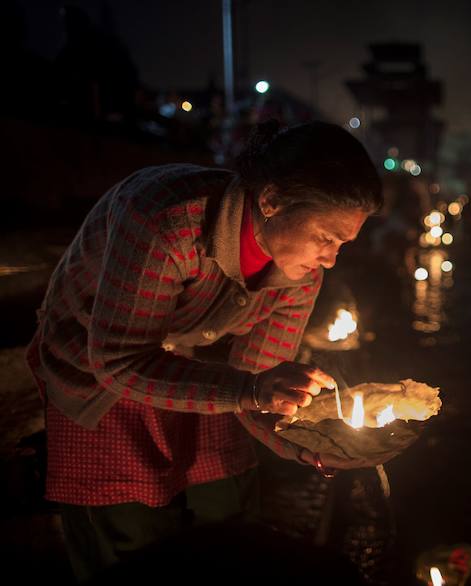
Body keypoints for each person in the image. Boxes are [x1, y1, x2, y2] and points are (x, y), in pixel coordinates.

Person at [26, 120, 382, 582]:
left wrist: (316, 449)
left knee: (230, 518)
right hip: (99, 371)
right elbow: (120, 360)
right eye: (326, 237)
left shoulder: (301, 277)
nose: (331, 258)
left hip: (206, 367)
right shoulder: (167, 220)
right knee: (130, 538)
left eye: (344, 244)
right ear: (271, 201)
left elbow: (259, 385)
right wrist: (252, 388)